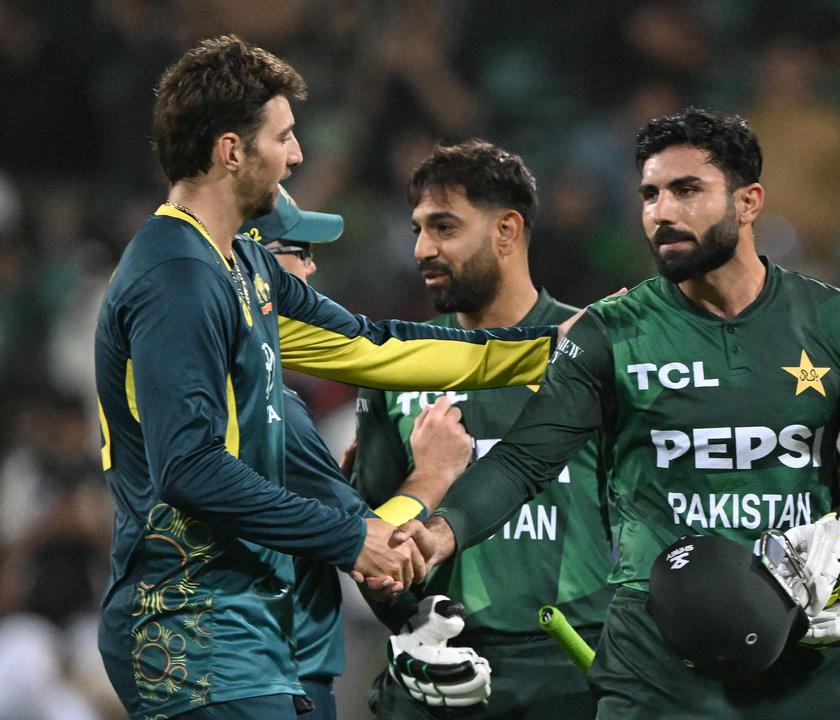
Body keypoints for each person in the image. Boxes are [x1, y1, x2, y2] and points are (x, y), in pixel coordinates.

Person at [94, 36, 556, 720]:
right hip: (190, 620)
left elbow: (375, 347)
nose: (297, 155)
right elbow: (187, 467)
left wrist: (545, 349)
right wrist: (368, 526)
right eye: (283, 136)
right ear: (231, 151)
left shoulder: (241, 269)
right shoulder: (178, 280)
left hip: (246, 620)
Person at [398, 108, 840, 719]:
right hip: (661, 654)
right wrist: (442, 531)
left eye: (687, 190)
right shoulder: (609, 332)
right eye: (649, 194)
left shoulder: (839, 320)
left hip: (809, 637)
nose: (661, 212)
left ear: (748, 202)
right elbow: (524, 459)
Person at [350, 139, 613, 719]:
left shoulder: (596, 351)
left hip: (575, 670)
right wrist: (408, 626)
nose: (423, 249)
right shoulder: (396, 363)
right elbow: (367, 536)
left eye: (444, 227)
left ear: (507, 231)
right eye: (418, 229)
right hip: (441, 670)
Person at [240, 186, 476, 719]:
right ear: (255, 265)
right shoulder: (272, 405)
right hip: (275, 666)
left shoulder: (202, 377)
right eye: (299, 252)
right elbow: (373, 550)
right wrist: (433, 474)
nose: (312, 269)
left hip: (236, 657)